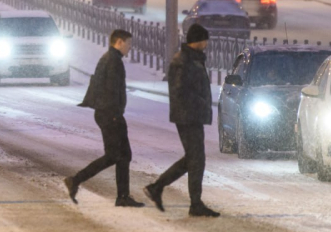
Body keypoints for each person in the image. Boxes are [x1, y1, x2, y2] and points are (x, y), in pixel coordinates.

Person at [144, 24, 220, 217]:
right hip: (187, 116)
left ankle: (158, 187)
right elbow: (180, 90)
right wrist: (199, 102)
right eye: (205, 40)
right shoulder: (183, 60)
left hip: (193, 115)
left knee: (193, 159)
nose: (207, 44)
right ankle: (194, 203)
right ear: (199, 40)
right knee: (196, 159)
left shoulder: (193, 59)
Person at [63, 29, 144, 208]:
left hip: (109, 113)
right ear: (119, 42)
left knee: (123, 155)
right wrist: (115, 114)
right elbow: (111, 91)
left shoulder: (109, 59)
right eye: (128, 44)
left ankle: (122, 196)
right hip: (110, 114)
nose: (130, 48)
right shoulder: (112, 61)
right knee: (114, 155)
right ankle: (76, 180)